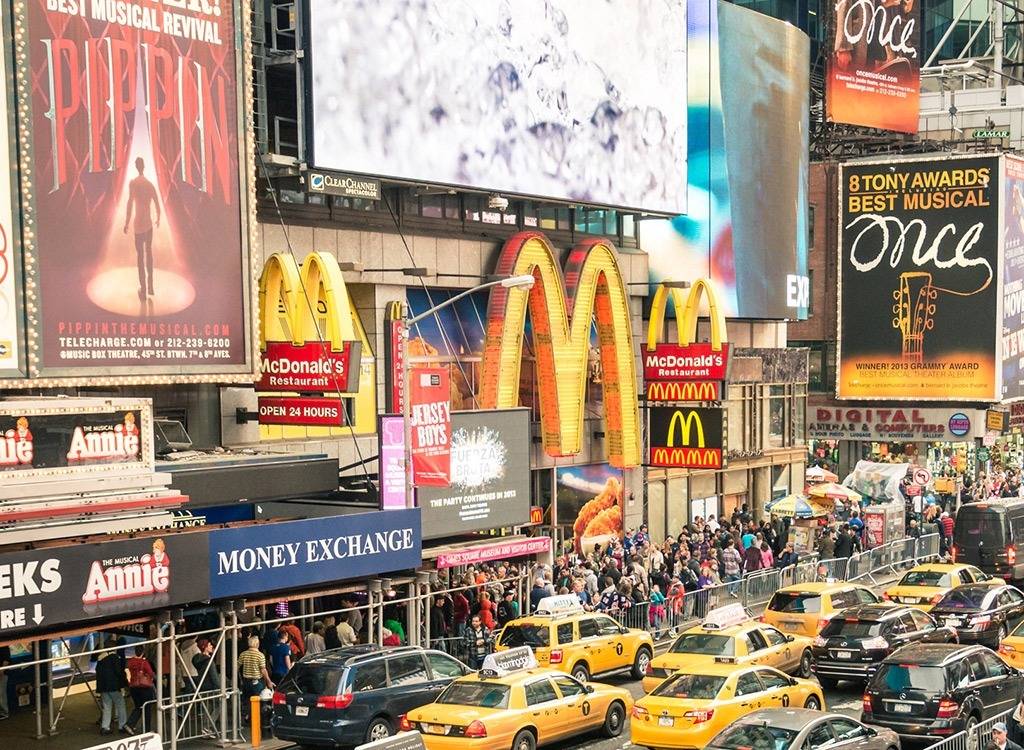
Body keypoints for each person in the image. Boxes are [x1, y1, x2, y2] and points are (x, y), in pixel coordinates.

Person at [123, 157, 161, 302]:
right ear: (143, 166)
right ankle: (150, 286)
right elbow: (157, 204)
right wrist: (158, 218)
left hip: (138, 225)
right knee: (149, 252)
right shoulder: (150, 185)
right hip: (148, 225)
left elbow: (129, 203)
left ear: (136, 166)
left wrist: (126, 222)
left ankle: (143, 290)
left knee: (140, 256)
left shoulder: (133, 183)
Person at [97, 639, 130, 735]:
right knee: (120, 705)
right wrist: (125, 684)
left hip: (103, 687)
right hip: (114, 687)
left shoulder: (101, 659)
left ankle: (105, 727)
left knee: (107, 707)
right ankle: (122, 725)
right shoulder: (115, 658)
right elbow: (119, 672)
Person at [238, 636, 273, 722]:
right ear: (257, 644)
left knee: (248, 700)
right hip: (257, 682)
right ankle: (256, 719)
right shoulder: (260, 655)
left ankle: (248, 716)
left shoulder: (243, 654)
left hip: (246, 681)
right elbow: (263, 670)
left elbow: (237, 665)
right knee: (259, 701)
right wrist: (269, 681)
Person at [125, 646, 156, 733]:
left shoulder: (130, 661)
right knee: (147, 708)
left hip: (133, 687)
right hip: (145, 688)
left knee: (138, 707)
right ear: (143, 652)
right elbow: (151, 673)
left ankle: (129, 724)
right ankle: (147, 730)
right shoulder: (144, 662)